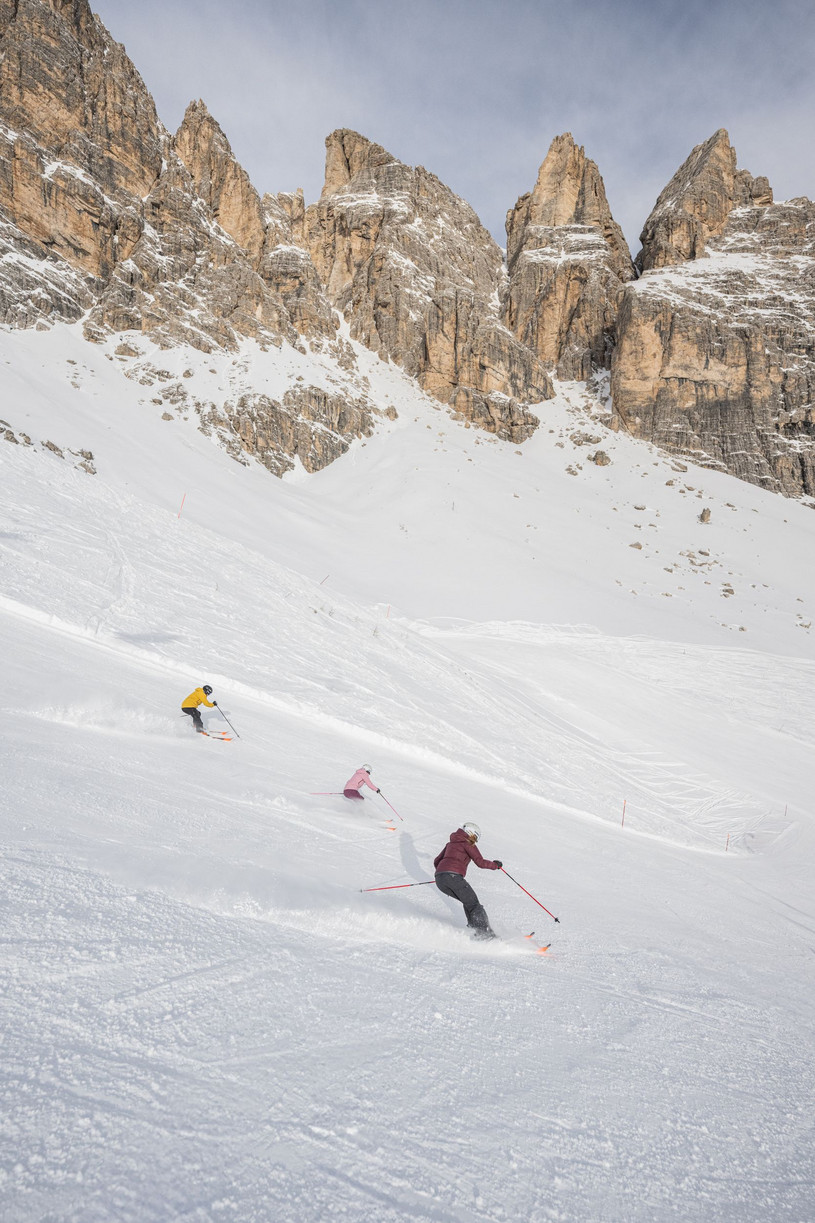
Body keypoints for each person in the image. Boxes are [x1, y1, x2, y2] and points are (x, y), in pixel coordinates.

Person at [434, 822, 502, 939]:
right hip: (453, 877)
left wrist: (444, 874)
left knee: (468, 902)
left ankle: (475, 931)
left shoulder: (450, 844)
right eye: (475, 837)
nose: (475, 841)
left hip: (440, 879)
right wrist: (495, 865)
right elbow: (480, 862)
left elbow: (437, 861)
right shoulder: (467, 844)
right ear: (471, 834)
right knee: (474, 905)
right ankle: (485, 934)